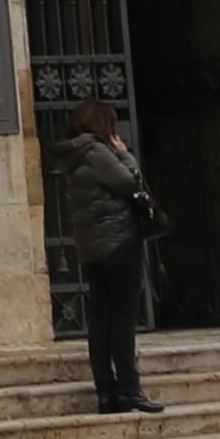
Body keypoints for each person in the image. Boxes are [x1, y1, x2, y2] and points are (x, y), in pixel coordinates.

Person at [57, 99, 165, 415]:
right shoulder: (97, 152)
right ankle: (129, 389)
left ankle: (105, 390)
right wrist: (125, 154)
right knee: (122, 318)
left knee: (100, 319)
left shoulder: (74, 155)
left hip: (91, 246)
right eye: (112, 125)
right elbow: (129, 183)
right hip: (119, 242)